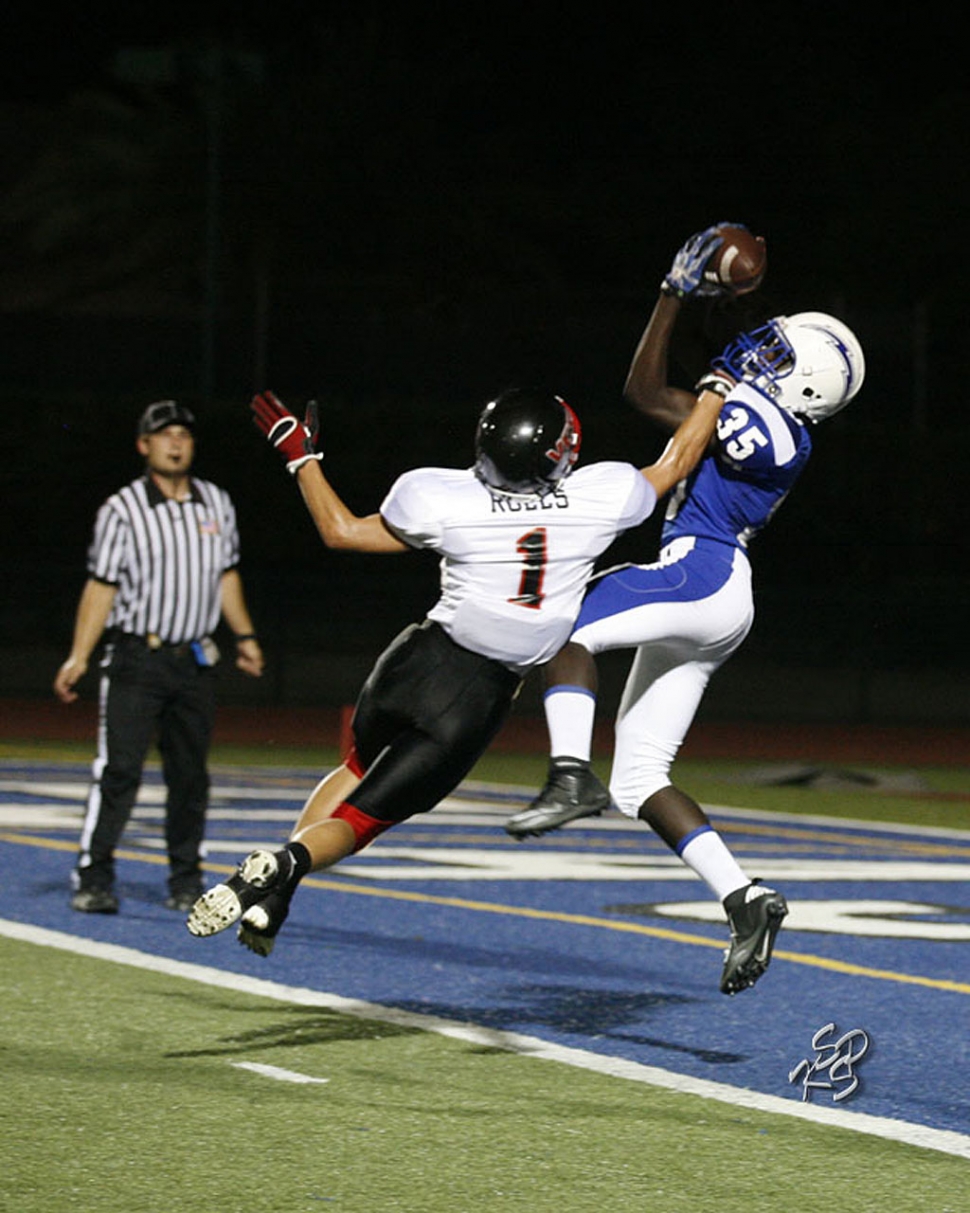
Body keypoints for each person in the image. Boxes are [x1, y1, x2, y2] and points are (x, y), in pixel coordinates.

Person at [187, 375, 727, 955]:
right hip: (477, 697)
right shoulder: (603, 496)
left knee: (356, 764)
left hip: (417, 659)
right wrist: (715, 390)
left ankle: (280, 890)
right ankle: (287, 861)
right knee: (366, 821)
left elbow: (339, 531)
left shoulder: (441, 497)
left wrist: (301, 456)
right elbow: (678, 460)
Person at [504, 225, 866, 995]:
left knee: (559, 617)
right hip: (713, 596)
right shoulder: (762, 412)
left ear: (804, 389)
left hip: (701, 572)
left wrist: (717, 370)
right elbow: (643, 392)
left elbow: (710, 408)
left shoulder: (779, 434)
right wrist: (671, 295)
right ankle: (746, 898)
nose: (759, 353)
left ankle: (570, 772)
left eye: (778, 355)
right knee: (640, 780)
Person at [54, 399, 265, 915]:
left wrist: (244, 636)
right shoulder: (121, 509)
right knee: (120, 771)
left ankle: (185, 879)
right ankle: (95, 873)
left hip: (192, 662)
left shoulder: (216, 502)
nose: (175, 443)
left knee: (190, 777)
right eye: (163, 435)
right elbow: (100, 587)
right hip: (136, 659)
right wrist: (79, 656)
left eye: (184, 435)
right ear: (143, 446)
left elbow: (225, 575)